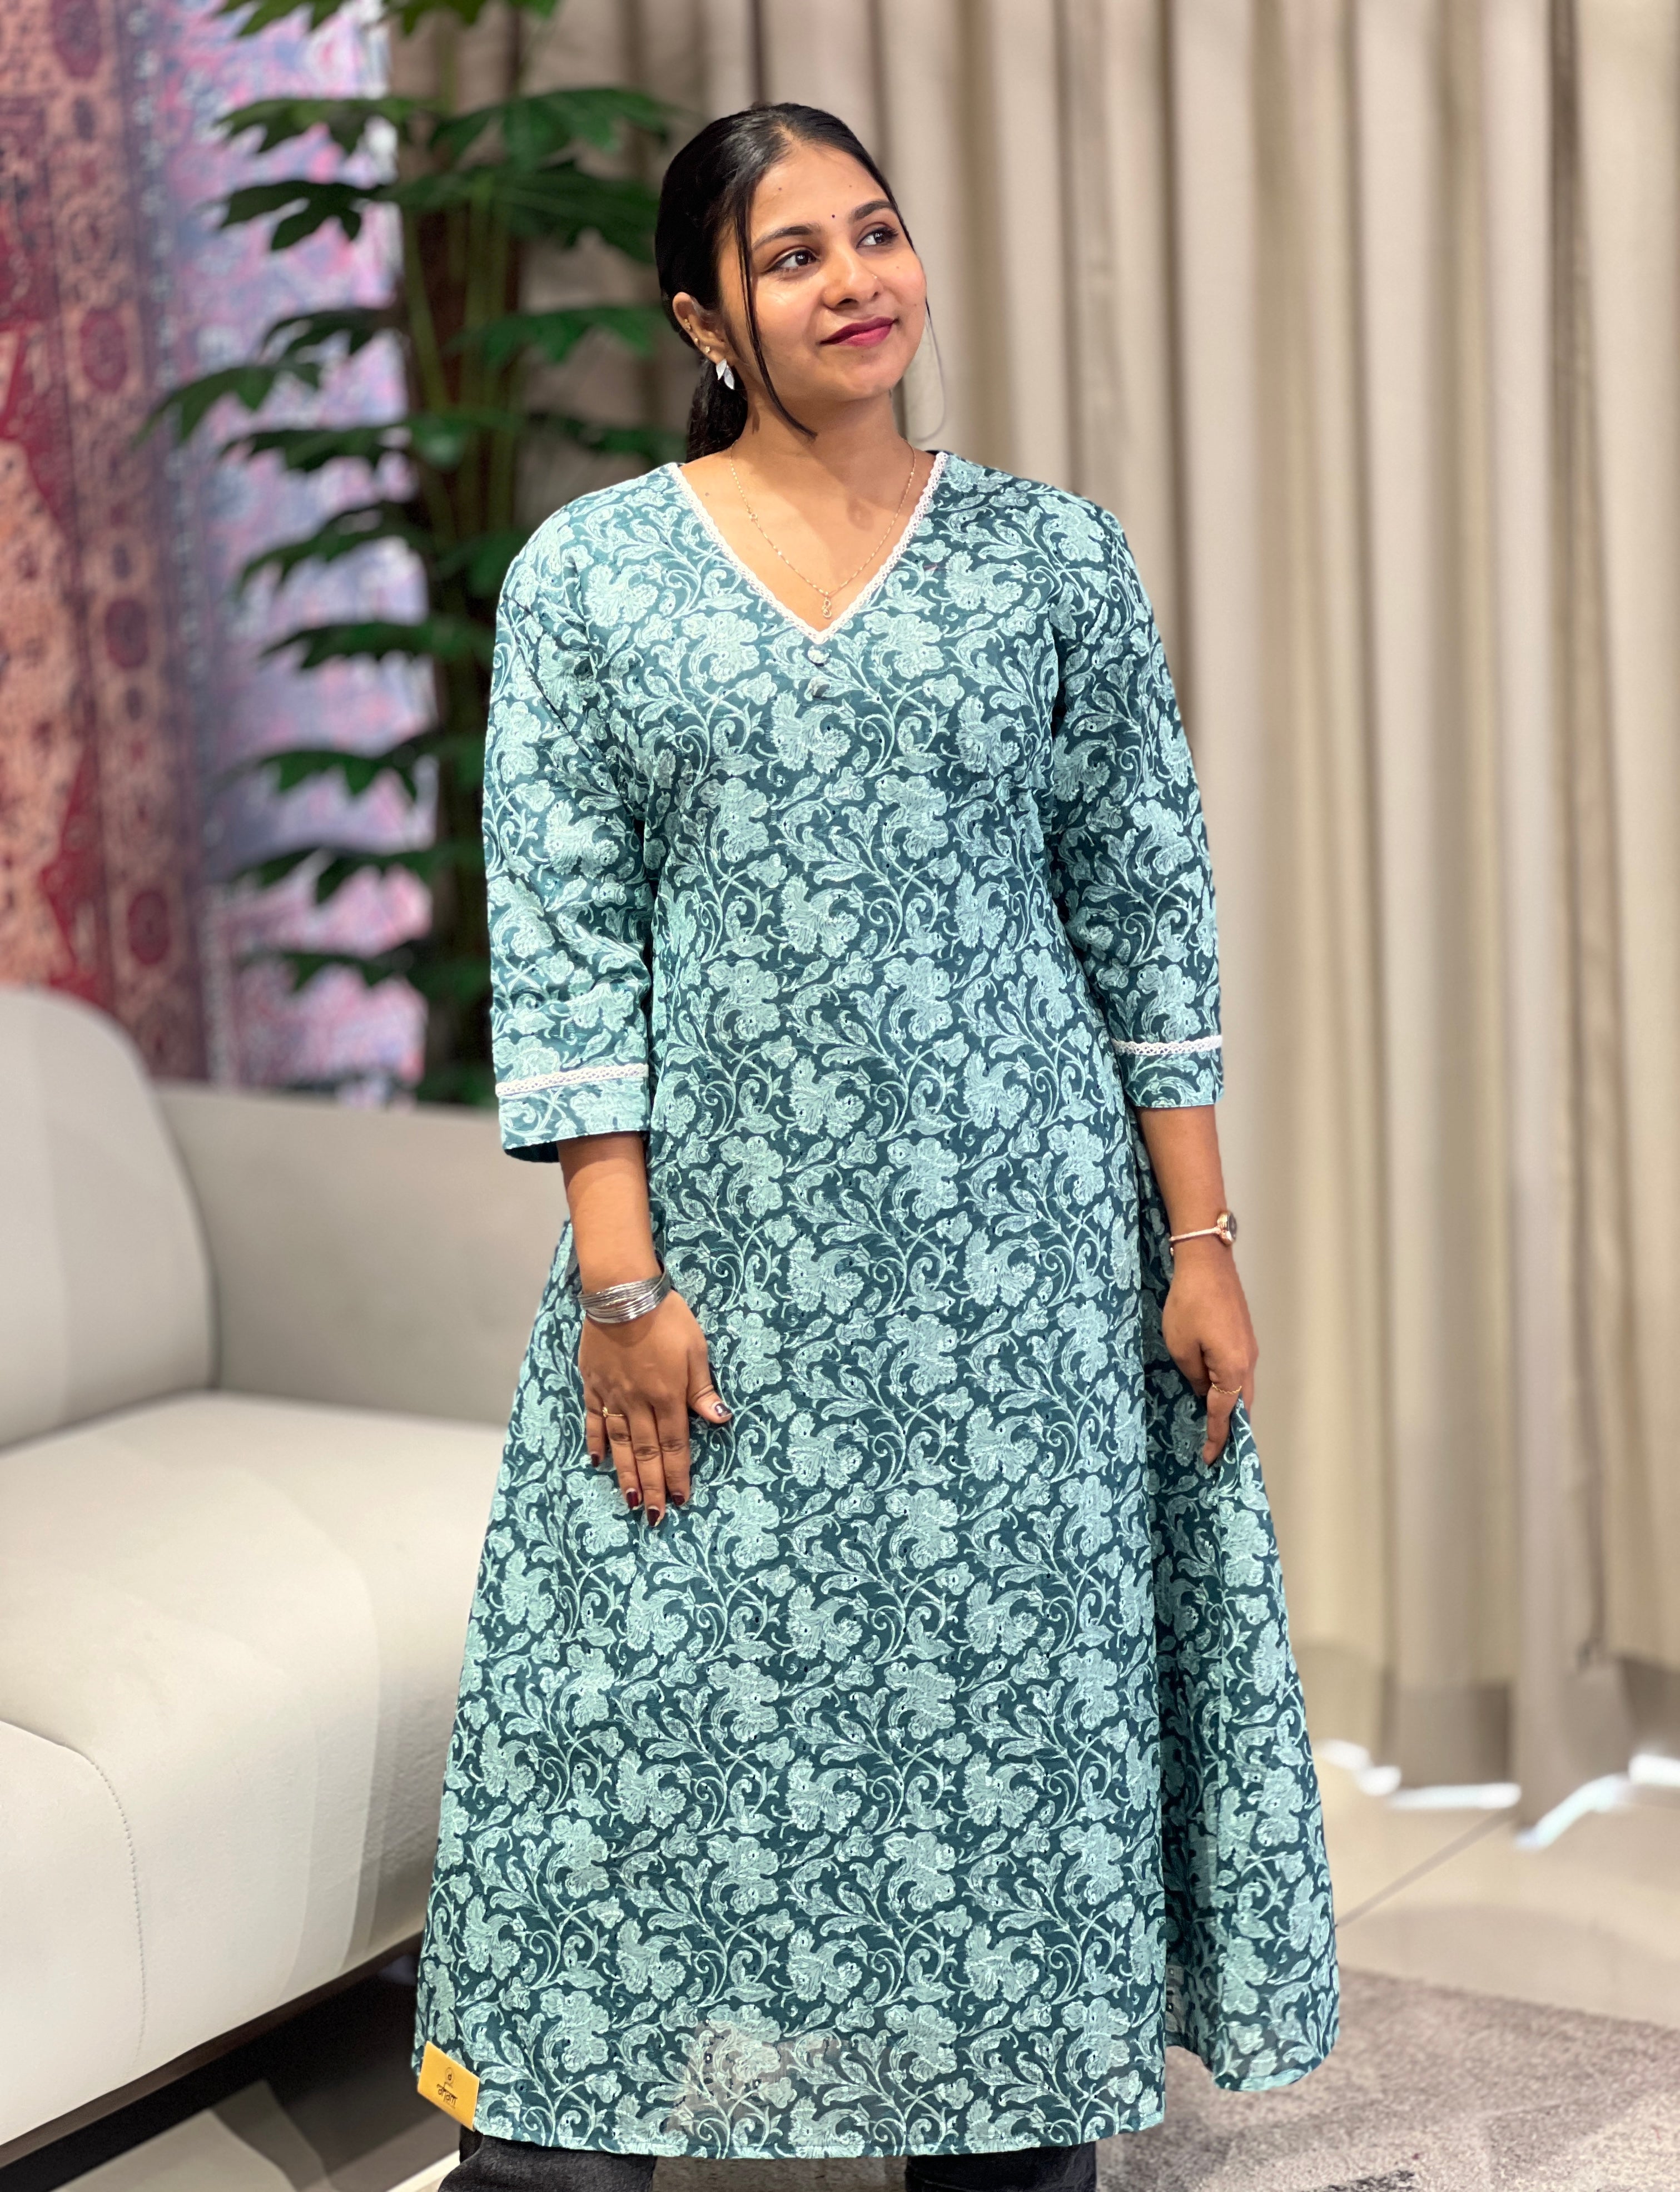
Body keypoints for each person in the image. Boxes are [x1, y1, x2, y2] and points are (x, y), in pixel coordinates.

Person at [414, 101, 1338, 2192]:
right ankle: (564, 2151)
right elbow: (564, 941)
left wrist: (1200, 1240)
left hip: (1018, 1277)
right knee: (626, 1747)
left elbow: (1144, 902)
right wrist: (623, 1283)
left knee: (1005, 1759)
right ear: (702, 319)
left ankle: (1008, 2143)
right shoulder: (594, 579)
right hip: (716, 1279)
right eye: (796, 255)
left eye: (878, 233)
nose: (857, 282)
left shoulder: (1051, 557)